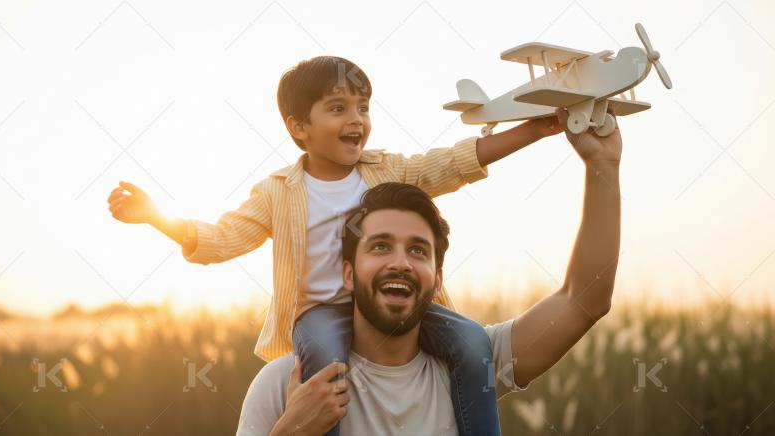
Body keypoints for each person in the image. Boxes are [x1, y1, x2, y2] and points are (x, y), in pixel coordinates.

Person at [106, 56, 565, 436]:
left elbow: (450, 165)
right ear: (299, 127)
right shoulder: (277, 192)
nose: (356, 120)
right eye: (338, 108)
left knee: (471, 340)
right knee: (325, 365)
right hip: (320, 314)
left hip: (386, 302)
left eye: (363, 108)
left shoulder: (385, 170)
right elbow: (222, 239)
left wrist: (532, 130)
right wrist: (157, 218)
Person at [236, 107, 622, 435]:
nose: (400, 262)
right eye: (380, 246)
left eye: (418, 250)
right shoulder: (288, 383)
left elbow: (584, 299)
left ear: (437, 279)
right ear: (349, 274)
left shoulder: (473, 365)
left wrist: (603, 165)